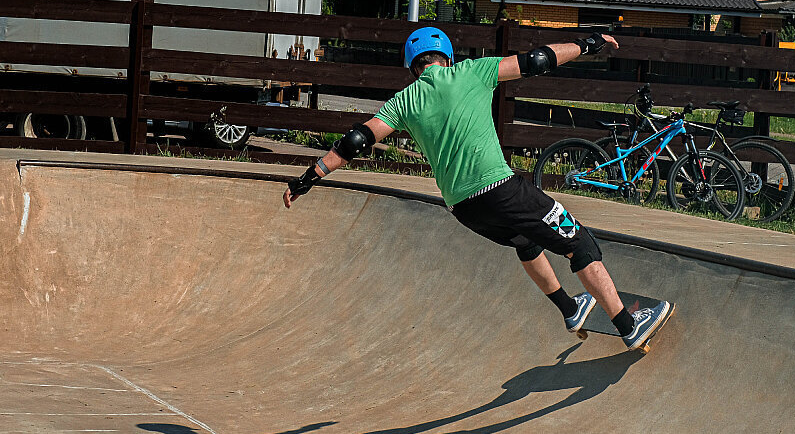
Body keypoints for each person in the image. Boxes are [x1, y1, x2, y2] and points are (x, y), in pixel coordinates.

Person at [283, 27, 671, 350]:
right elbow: (537, 60)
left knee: (526, 243)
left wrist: (308, 178)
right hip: (501, 189)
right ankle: (626, 324)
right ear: (446, 57)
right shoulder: (473, 70)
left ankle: (570, 308)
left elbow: (356, 140)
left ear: (412, 67)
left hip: (464, 209)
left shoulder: (403, 102)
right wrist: (589, 44)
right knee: (580, 244)